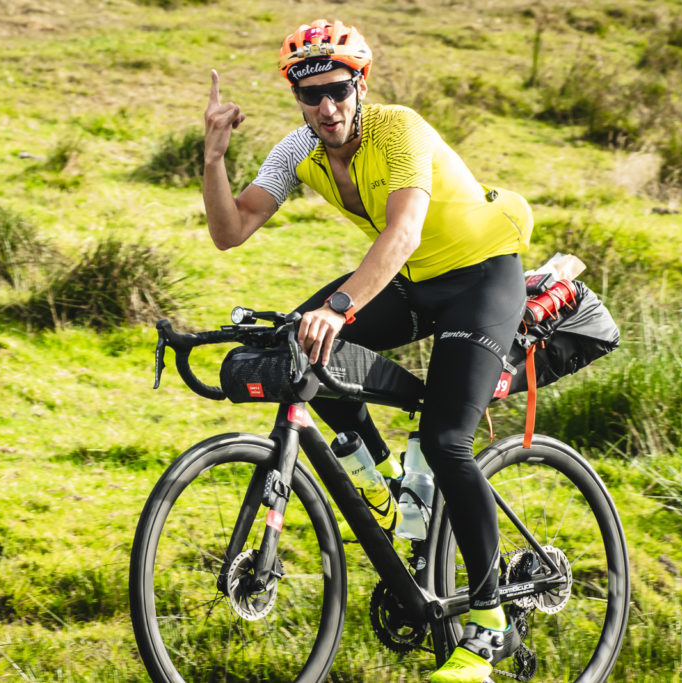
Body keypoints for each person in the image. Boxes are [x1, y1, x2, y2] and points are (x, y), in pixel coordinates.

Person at [202, 19, 533, 683]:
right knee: (297, 348)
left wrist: (340, 306)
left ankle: (490, 623)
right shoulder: (297, 149)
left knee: (446, 441)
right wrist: (212, 158)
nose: (327, 107)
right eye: (311, 94)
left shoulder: (398, 128)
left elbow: (403, 231)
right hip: (415, 282)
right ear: (296, 96)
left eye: (338, 90)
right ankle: (384, 484)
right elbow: (230, 230)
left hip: (481, 277)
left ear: (361, 84)